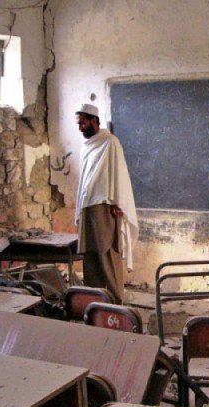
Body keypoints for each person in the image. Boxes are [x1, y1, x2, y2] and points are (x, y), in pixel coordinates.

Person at [75, 103, 138, 303]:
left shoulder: (110, 142)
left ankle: (116, 302)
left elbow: (119, 175)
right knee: (90, 256)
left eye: (83, 123)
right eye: (79, 124)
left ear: (94, 120)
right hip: (87, 206)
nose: (80, 127)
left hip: (105, 207)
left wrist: (119, 203)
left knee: (107, 255)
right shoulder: (87, 146)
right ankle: (95, 301)